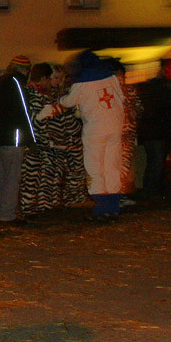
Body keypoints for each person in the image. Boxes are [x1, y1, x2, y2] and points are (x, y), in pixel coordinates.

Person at [38, 50, 124, 220]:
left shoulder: (82, 82)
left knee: (94, 166)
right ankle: (114, 205)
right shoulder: (111, 77)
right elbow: (120, 98)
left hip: (95, 129)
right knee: (112, 164)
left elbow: (69, 101)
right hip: (116, 126)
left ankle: (101, 207)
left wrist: (59, 101)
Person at [19, 63, 86, 215]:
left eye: (57, 78)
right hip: (44, 142)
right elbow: (39, 119)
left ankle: (48, 203)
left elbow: (65, 120)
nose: (54, 81)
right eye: (52, 78)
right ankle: (35, 206)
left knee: (52, 175)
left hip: (57, 141)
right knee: (36, 176)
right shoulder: (37, 94)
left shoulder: (59, 94)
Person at [0, 55, 35, 222]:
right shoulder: (16, 83)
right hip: (12, 138)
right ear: (25, 70)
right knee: (11, 178)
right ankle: (7, 214)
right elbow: (24, 111)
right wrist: (31, 138)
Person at [136, 69, 171, 200]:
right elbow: (167, 107)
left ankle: (150, 190)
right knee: (156, 162)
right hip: (157, 130)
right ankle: (152, 191)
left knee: (152, 161)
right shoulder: (159, 90)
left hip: (149, 131)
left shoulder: (145, 90)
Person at [108, 59, 142, 198]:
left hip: (127, 134)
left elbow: (139, 107)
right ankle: (114, 194)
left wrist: (134, 112)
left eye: (120, 75)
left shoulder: (130, 91)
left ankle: (119, 194)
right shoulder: (106, 92)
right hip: (113, 135)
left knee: (124, 165)